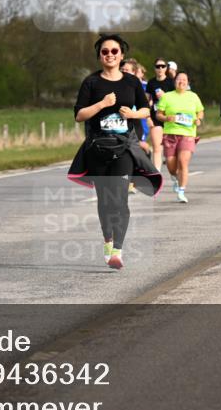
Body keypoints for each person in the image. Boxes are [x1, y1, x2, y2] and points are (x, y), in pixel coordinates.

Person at [68, 34, 161, 270]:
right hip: (98, 147)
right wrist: (101, 104)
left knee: (119, 199)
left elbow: (146, 111)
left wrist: (132, 115)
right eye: (105, 52)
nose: (110, 55)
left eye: (114, 51)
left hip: (125, 148)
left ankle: (117, 251)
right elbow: (79, 115)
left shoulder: (130, 82)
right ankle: (107, 240)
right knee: (105, 201)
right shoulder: (91, 83)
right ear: (100, 56)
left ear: (121, 55)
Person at [156, 70, 204, 203]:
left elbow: (200, 112)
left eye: (184, 79)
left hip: (188, 134)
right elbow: (158, 114)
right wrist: (166, 117)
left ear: (187, 82)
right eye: (179, 79)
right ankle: (175, 178)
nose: (181, 81)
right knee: (171, 166)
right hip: (170, 134)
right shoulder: (167, 97)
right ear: (175, 81)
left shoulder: (193, 96)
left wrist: (198, 120)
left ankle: (182, 191)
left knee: (183, 161)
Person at [144, 58, 175, 170]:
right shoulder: (151, 83)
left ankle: (174, 174)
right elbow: (146, 101)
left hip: (170, 118)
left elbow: (177, 100)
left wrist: (165, 95)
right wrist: (147, 117)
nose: (160, 68)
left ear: (166, 68)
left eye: (163, 66)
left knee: (170, 149)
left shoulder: (171, 82)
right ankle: (157, 174)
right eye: (158, 66)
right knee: (157, 148)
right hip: (156, 117)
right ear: (154, 69)